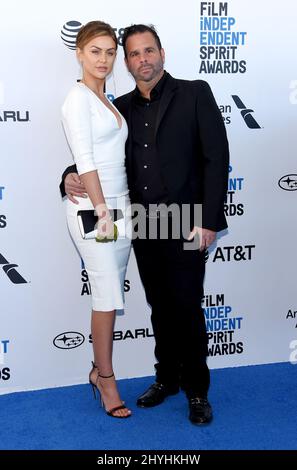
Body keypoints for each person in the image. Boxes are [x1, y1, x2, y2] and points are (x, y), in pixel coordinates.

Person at [60, 24, 229, 425]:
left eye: (148, 51)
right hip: (141, 221)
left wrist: (208, 221)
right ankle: (166, 378)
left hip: (187, 220)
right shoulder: (121, 106)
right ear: (128, 61)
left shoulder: (194, 92)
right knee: (159, 307)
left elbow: (216, 158)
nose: (142, 59)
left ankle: (197, 390)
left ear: (162, 53)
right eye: (134, 54)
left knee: (187, 306)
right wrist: (67, 175)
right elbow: (99, 154)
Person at [61, 20, 132, 418]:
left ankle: (96, 369)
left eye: (109, 52)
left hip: (121, 207)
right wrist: (103, 211)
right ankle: (105, 379)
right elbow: (85, 160)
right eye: (95, 51)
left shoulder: (106, 98)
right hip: (96, 210)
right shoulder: (76, 98)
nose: (103, 59)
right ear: (79, 52)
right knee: (106, 295)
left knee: (110, 295)